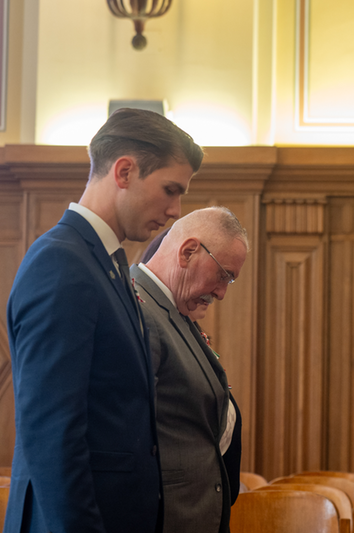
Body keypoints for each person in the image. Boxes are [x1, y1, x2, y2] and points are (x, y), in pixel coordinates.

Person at [5, 108, 203, 533]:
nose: (175, 210)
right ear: (125, 171)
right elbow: (53, 436)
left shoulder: (106, 263)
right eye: (170, 190)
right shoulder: (62, 263)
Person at [130, 207, 248, 533]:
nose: (222, 292)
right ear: (188, 251)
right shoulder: (137, 311)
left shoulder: (174, 310)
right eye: (223, 275)